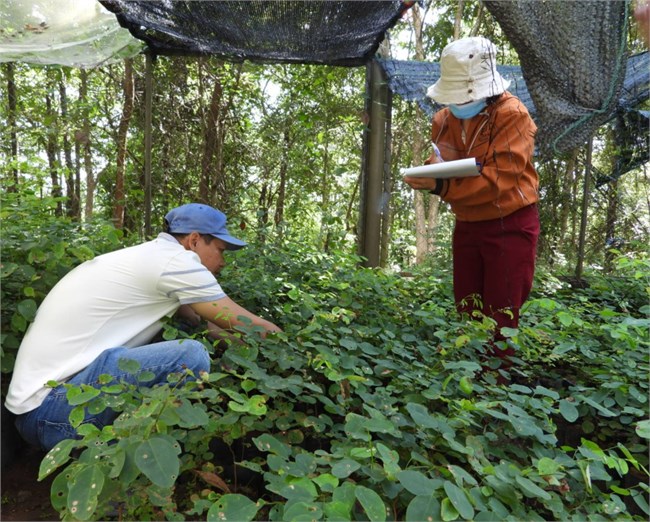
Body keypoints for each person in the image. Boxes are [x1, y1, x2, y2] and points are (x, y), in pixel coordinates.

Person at [5, 203, 281, 451]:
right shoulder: (178, 262)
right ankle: (130, 456)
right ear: (195, 240)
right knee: (190, 355)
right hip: (54, 414)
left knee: (184, 335)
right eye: (220, 250)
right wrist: (287, 345)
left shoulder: (151, 256)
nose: (222, 262)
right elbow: (240, 321)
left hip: (34, 413)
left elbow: (202, 322)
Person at [404, 36, 540, 361]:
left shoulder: (513, 116)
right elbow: (446, 164)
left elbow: (500, 181)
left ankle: (496, 390)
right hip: (467, 224)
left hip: (511, 223)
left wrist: (441, 187)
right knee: (467, 305)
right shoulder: (443, 120)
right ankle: (467, 382)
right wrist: (432, 172)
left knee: (501, 313)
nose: (459, 104)